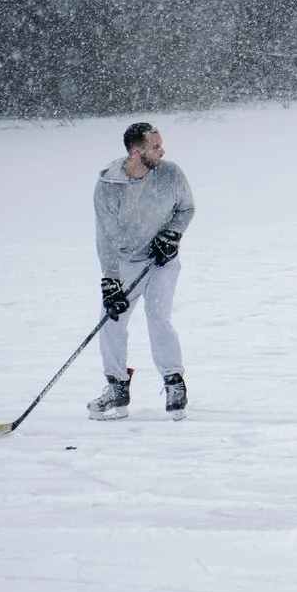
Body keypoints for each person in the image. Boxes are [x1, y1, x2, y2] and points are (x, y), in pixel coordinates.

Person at [88, 120, 196, 421]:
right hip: (125, 262)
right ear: (137, 151)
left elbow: (186, 209)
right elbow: (105, 237)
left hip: (161, 261)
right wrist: (110, 280)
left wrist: (172, 235)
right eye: (155, 146)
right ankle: (117, 387)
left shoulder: (171, 173)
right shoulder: (109, 186)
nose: (163, 150)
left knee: (159, 317)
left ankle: (174, 383)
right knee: (112, 321)